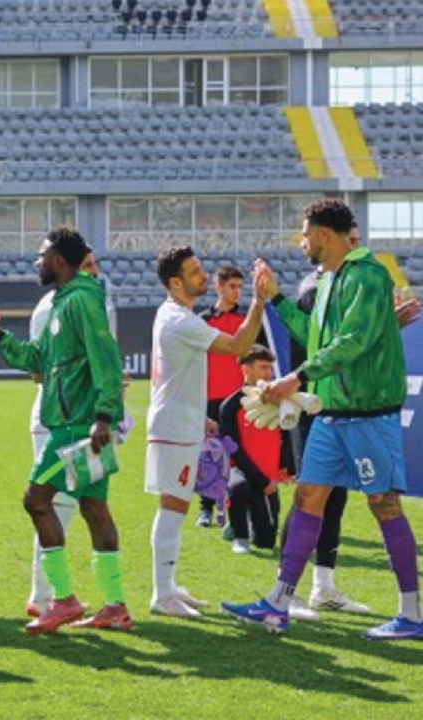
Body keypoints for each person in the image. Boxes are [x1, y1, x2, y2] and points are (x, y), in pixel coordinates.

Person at [223, 198, 423, 640]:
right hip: (333, 415)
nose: (301, 240)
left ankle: (411, 614)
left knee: (383, 504)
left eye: (305, 232)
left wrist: (296, 377)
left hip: (370, 415)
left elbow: (351, 341)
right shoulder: (331, 280)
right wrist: (273, 298)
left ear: (325, 235)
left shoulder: (368, 276)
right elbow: (314, 337)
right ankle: (278, 603)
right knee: (309, 496)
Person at [0, 228, 130, 634]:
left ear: (58, 260)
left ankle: (64, 599)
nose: (36, 262)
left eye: (41, 255)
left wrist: (105, 415)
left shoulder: (83, 300)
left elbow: (105, 357)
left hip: (77, 428)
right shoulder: (61, 303)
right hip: (77, 423)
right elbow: (35, 357)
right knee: (93, 509)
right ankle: (115, 606)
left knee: (35, 500)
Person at [146, 246, 264, 619]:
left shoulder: (174, 315)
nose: (203, 276)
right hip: (173, 427)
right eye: (195, 271)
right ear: (176, 282)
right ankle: (162, 594)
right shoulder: (182, 321)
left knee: (176, 505)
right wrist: (259, 302)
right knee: (174, 505)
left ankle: (167, 586)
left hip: (179, 423)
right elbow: (240, 347)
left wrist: (200, 419)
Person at [26, 250, 110, 617]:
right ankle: (45, 597)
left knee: (87, 507)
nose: (95, 271)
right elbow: (40, 370)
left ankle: (93, 601)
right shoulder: (55, 307)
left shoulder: (85, 300)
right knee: (51, 504)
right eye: (88, 265)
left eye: (95, 264)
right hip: (58, 421)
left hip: (84, 419)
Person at [196, 265, 264, 528]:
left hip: (240, 399)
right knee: (208, 455)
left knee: (239, 455)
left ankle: (237, 507)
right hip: (211, 397)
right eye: (232, 286)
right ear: (218, 287)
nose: (237, 292)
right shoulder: (203, 321)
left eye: (240, 287)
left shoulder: (247, 322)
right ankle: (206, 508)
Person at [219, 345, 293, 555]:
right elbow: (232, 449)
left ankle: (243, 519)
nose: (269, 374)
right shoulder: (230, 406)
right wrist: (262, 480)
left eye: (270, 368)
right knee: (238, 487)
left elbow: (286, 438)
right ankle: (240, 536)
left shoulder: (280, 402)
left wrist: (282, 471)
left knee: (266, 542)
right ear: (246, 370)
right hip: (244, 472)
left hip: (270, 479)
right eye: (263, 367)